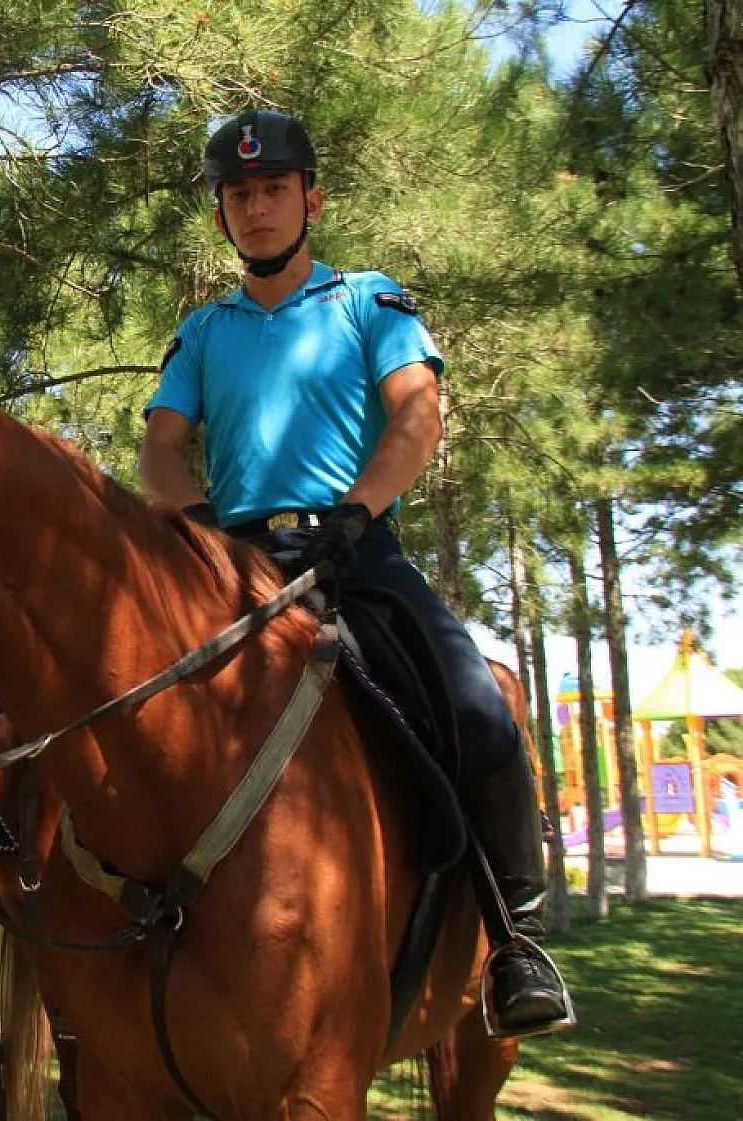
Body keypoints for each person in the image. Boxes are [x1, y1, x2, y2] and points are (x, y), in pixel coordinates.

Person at [138, 109, 571, 1038]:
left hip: (358, 552)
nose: (256, 208)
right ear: (222, 214)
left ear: (311, 200)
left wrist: (357, 510)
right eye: (239, 194)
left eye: (274, 189)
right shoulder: (203, 331)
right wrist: (200, 522)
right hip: (233, 562)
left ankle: (516, 938)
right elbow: (162, 449)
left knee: (478, 704)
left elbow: (418, 416)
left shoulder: (370, 303)